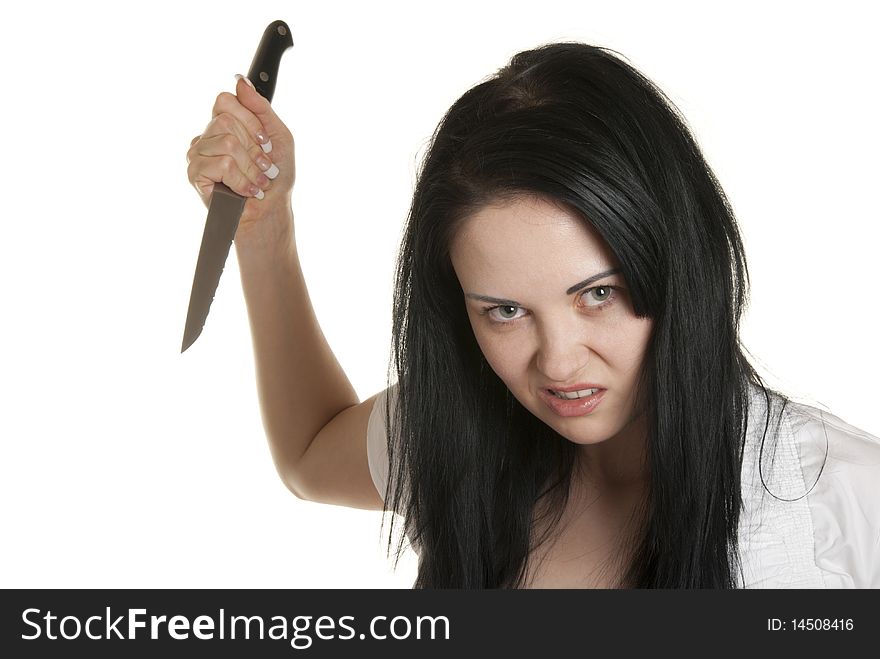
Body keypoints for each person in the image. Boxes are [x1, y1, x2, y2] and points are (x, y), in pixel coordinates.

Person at [186, 43, 880, 588]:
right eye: (507, 311)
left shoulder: (843, 503)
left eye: (598, 294)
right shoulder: (462, 435)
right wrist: (264, 230)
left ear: (680, 260)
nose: (558, 361)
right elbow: (312, 452)